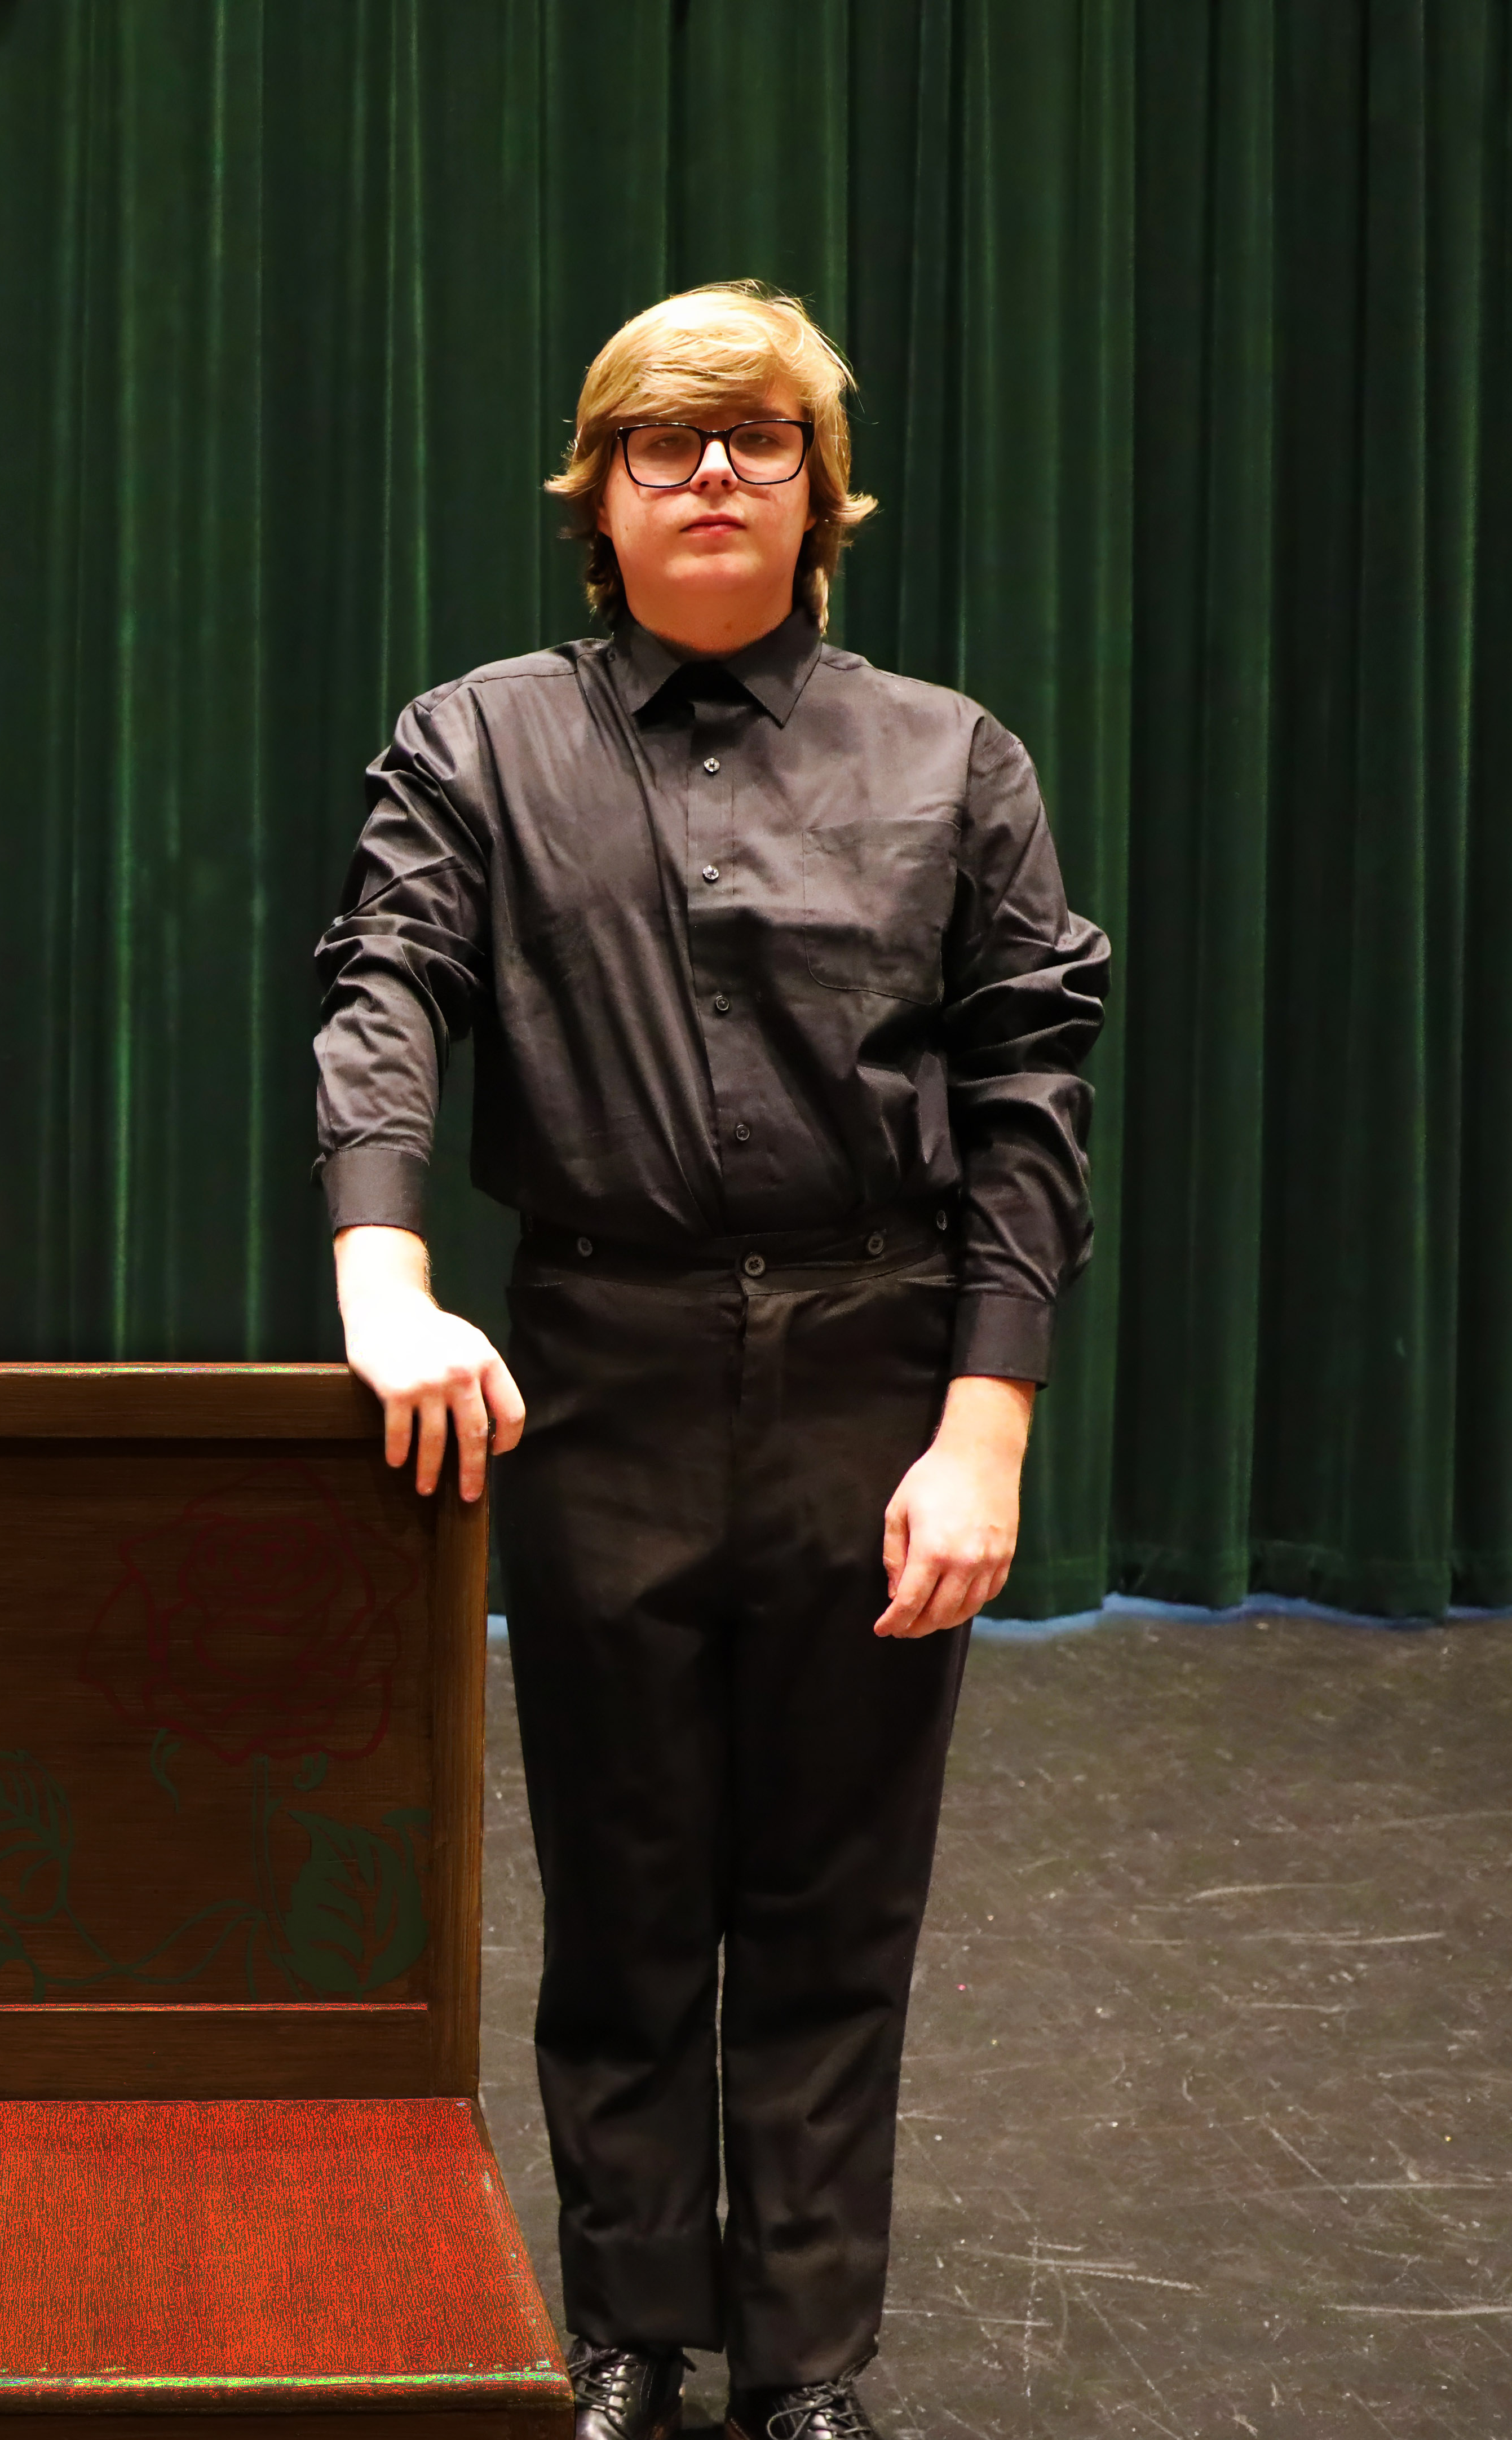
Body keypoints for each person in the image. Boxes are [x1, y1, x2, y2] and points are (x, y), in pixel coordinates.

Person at [313, 284, 1106, 2440]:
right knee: (625, 1878)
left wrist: (986, 1424)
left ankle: (808, 2364)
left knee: (840, 1893)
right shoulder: (475, 741)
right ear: (603, 494)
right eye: (668, 446)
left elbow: (1033, 1101)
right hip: (605, 1364)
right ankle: (630, 2334)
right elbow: (384, 991)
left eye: (760, 440)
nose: (717, 475)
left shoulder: (956, 760)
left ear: (823, 494)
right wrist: (386, 1278)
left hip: (875, 1366)